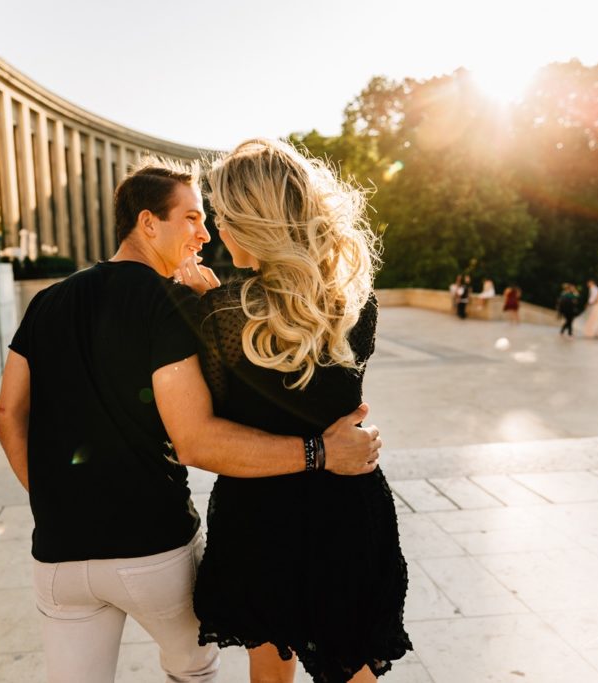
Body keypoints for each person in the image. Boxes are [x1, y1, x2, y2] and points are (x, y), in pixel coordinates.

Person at [0, 159, 383, 683]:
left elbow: (5, 414)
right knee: (201, 669)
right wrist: (323, 451)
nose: (207, 233)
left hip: (71, 550)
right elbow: (198, 437)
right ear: (148, 223)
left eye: (213, 217)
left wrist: (54, 500)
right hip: (176, 540)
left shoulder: (47, 302)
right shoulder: (342, 303)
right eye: (195, 218)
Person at [176, 139, 412, 683]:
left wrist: (202, 304)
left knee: (270, 669)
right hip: (345, 508)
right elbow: (324, 400)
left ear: (249, 220)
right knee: (352, 669)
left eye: (221, 215)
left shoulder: (218, 315)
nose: (217, 229)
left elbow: (215, 424)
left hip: (259, 512)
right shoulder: (355, 304)